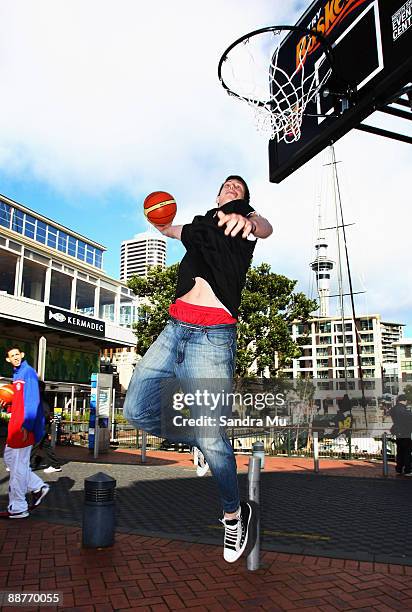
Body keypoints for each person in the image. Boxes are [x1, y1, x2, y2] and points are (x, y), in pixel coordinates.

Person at [124, 175, 273, 562]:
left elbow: (265, 228)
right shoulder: (201, 224)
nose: (232, 190)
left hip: (213, 339)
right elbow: (170, 228)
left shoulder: (241, 223)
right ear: (217, 193)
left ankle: (234, 514)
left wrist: (251, 221)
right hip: (174, 330)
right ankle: (202, 444)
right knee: (136, 411)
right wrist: (158, 220)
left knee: (213, 434)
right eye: (227, 186)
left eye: (239, 189)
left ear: (245, 201)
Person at [1, 347, 50, 518]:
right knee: (10, 460)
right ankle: (37, 486)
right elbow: (20, 401)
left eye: (17, 354)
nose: (15, 357)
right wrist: (8, 405)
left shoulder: (28, 372)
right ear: (8, 360)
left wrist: (27, 425)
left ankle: (18, 507)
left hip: (22, 427)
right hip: (15, 427)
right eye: (11, 356)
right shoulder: (17, 374)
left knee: (18, 468)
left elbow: (32, 400)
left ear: (22, 355)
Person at [30, 381, 62, 473]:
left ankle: (30, 465)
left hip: (41, 425)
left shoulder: (41, 398)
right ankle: (55, 465)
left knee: (34, 445)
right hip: (42, 424)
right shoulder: (40, 397)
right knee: (45, 445)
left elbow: (45, 412)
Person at [390, 394, 412, 476]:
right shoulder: (404, 410)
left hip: (398, 433)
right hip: (405, 433)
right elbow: (409, 419)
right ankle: (408, 470)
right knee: (407, 452)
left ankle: (399, 469)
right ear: (405, 401)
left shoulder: (393, 409)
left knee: (400, 452)